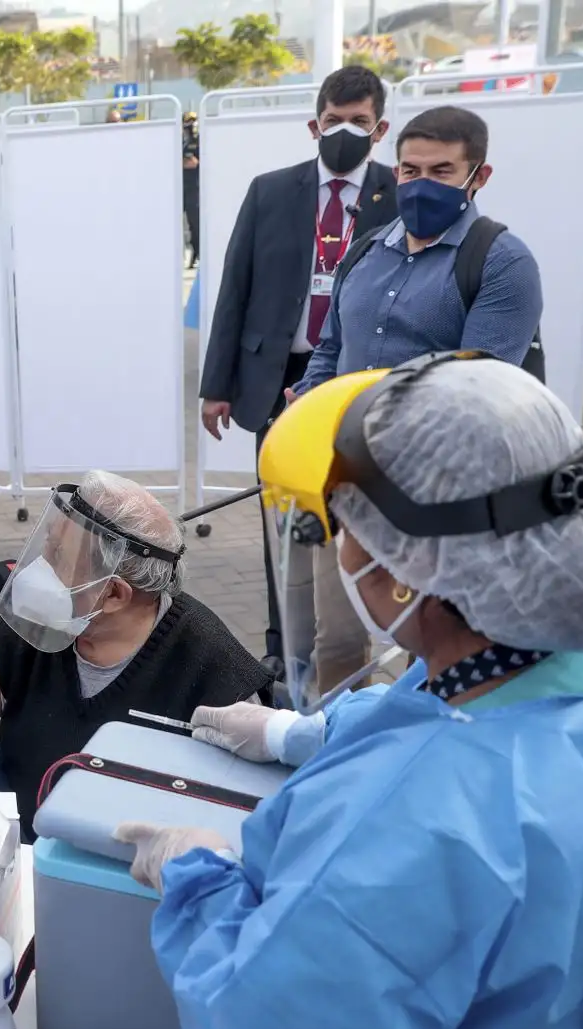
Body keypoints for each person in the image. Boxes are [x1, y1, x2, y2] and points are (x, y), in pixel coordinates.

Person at [124, 352, 583, 1029]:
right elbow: (458, 706)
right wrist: (296, 733)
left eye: (343, 523)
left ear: (402, 570)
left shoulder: (421, 821)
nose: (342, 548)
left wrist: (198, 878)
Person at [0, 471, 273, 842]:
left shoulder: (215, 672)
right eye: (46, 544)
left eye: (57, 556)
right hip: (14, 835)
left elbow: (251, 811)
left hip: (115, 868)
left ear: (114, 594)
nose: (37, 569)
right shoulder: (38, 626)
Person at [200, 64, 398, 692]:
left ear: (380, 128)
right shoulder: (271, 190)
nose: (345, 131)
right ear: (314, 124)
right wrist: (217, 382)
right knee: (282, 522)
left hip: (356, 382)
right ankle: (282, 651)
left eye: (359, 122)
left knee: (349, 518)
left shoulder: (400, 192)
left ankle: (349, 650)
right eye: (335, 121)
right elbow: (234, 287)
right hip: (274, 379)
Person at [294, 105, 543, 397]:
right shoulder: (363, 251)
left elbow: (479, 393)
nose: (422, 184)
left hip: (434, 441)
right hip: (342, 437)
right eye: (411, 172)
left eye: (441, 171)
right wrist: (306, 400)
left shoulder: (502, 263)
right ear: (396, 173)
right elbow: (331, 349)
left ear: (479, 177)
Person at [182, 112, 201, 268]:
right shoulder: (180, 140)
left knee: (194, 223)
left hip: (193, 187)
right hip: (180, 187)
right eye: (188, 122)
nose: (191, 125)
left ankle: (197, 254)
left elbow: (194, 163)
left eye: (193, 121)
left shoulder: (199, 141)